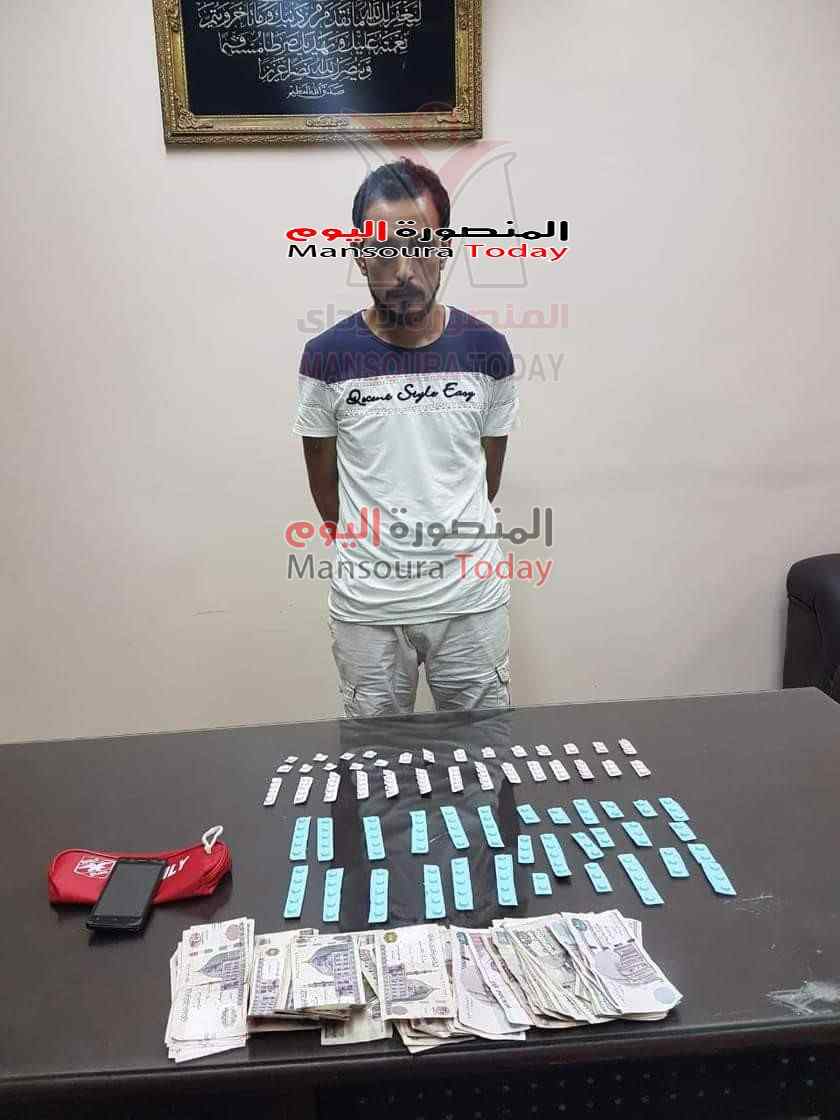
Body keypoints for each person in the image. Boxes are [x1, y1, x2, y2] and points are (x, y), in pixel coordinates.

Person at [293, 157, 519, 717]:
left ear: (444, 249)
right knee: (374, 761)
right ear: (359, 254)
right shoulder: (326, 358)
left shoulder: (488, 351)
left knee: (482, 754)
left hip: (469, 604)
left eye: (420, 246)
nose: (403, 270)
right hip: (368, 610)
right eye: (384, 249)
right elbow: (325, 492)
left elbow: (485, 477)